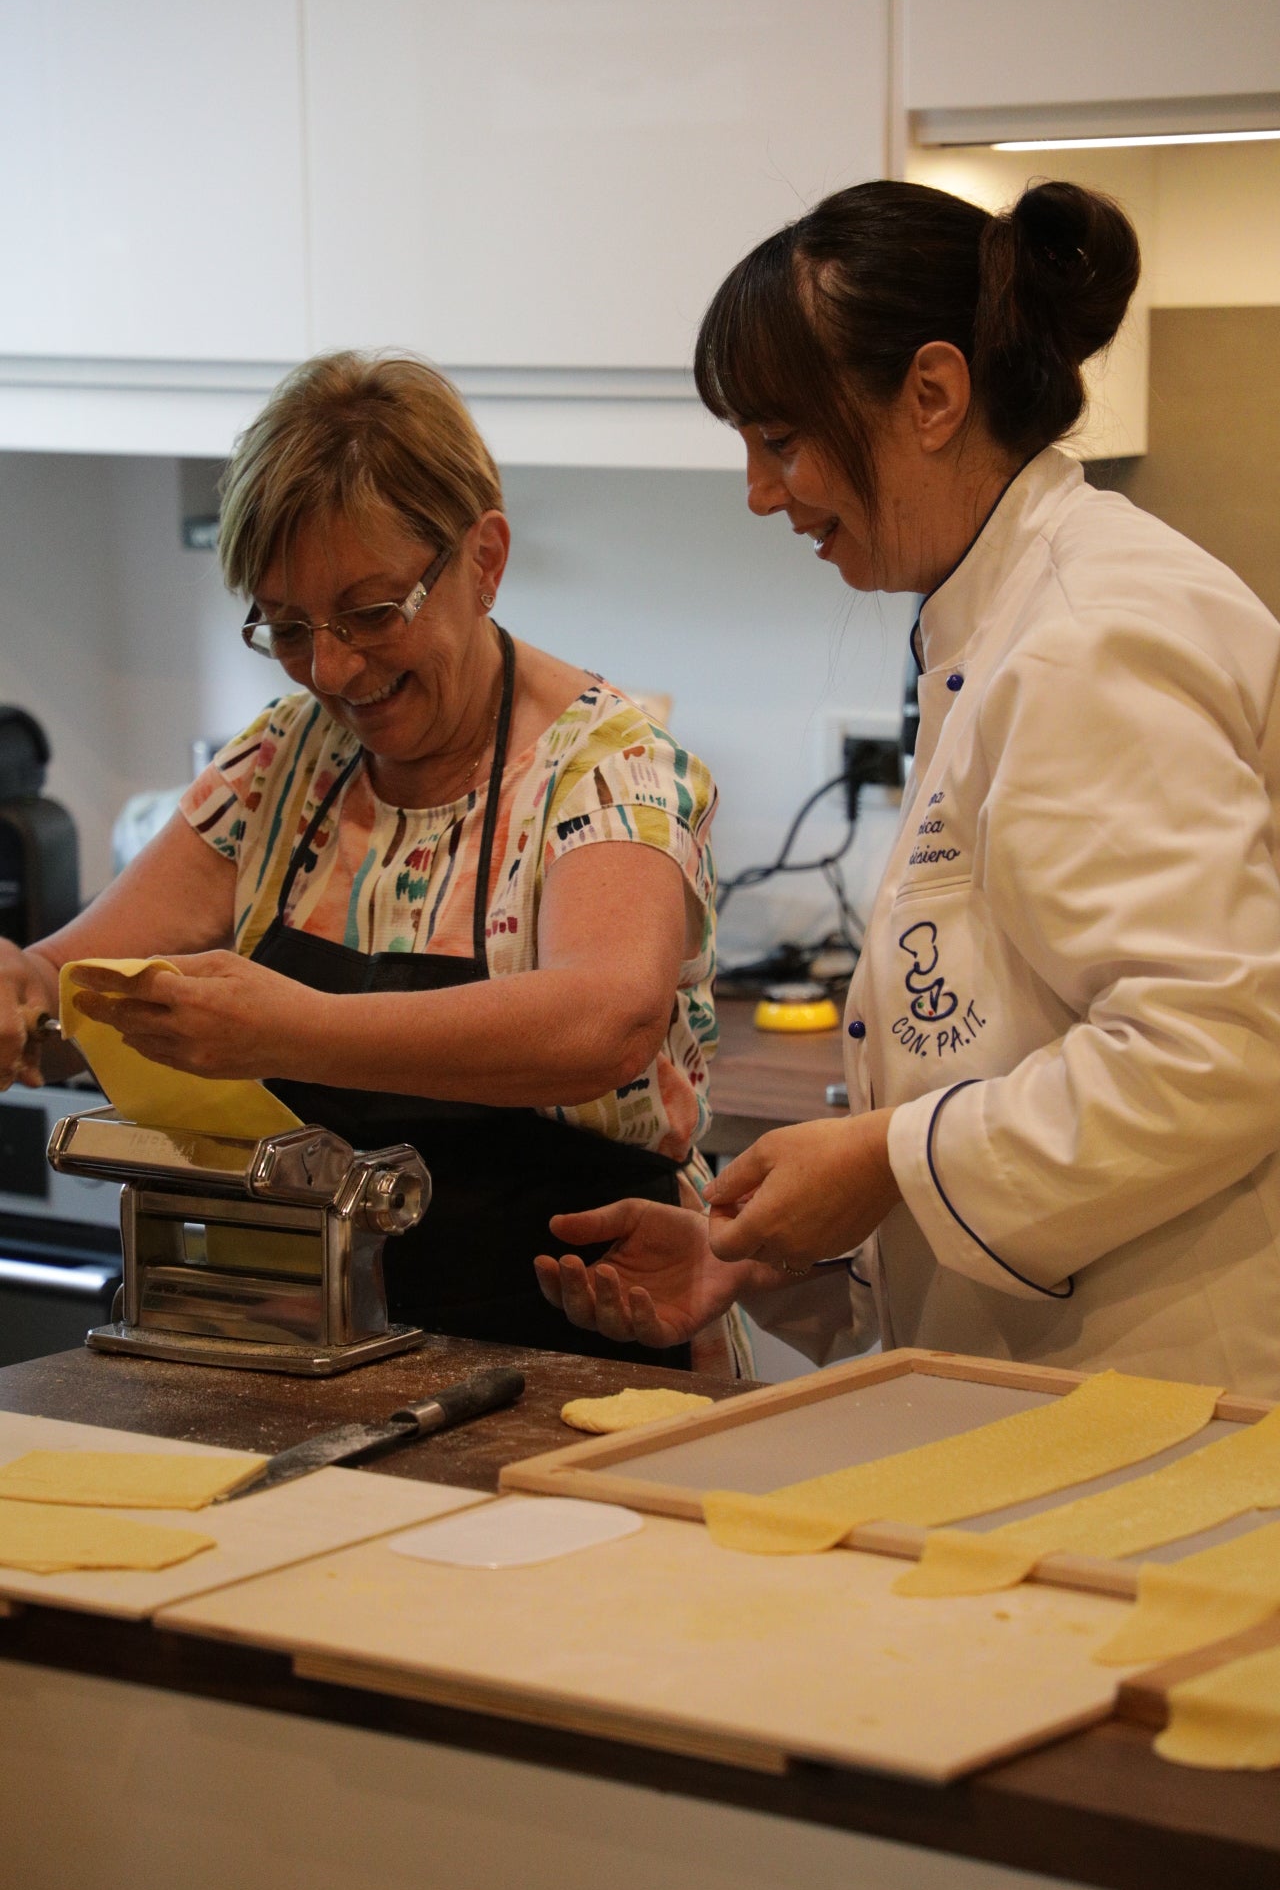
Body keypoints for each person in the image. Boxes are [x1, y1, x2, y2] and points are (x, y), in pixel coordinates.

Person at [536, 178, 1280, 1396]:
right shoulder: (996, 619)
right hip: (1051, 1387)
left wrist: (886, 1160)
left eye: (780, 440)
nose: (760, 493)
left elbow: (1214, 1049)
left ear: (931, 395)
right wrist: (774, 1256)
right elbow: (1002, 1052)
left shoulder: (1085, 637)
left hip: (1155, 1395)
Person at [0, 351, 731, 1367]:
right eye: (290, 628)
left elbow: (602, 1022)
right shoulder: (278, 765)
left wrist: (290, 1031)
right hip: (291, 1347)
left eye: (373, 613)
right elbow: (80, 980)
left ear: (483, 560)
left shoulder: (605, 773)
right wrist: (26, 984)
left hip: (563, 1348)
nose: (333, 669)